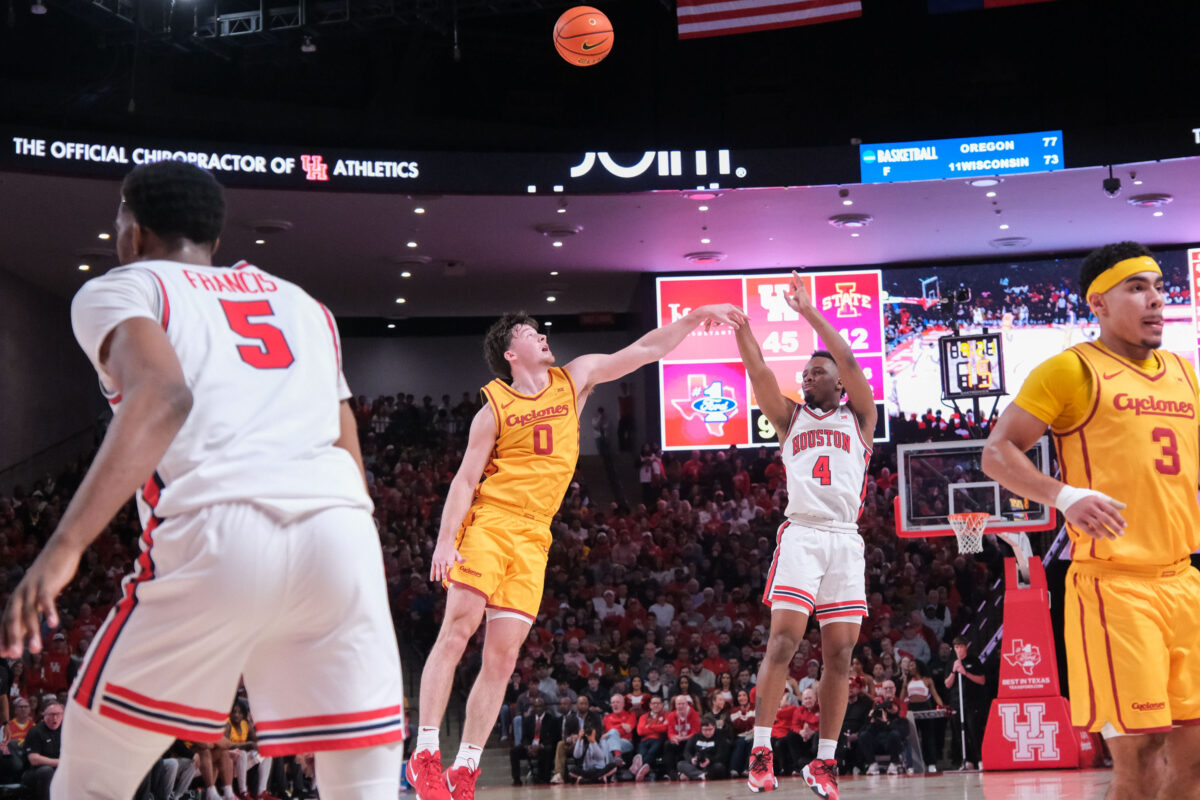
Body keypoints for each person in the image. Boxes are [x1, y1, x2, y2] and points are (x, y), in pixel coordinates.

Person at [0, 162, 404, 800]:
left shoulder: (125, 287)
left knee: (92, 778)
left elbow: (163, 395)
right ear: (215, 238)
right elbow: (344, 438)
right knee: (365, 787)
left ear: (132, 231)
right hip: (343, 537)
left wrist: (64, 548)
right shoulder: (303, 305)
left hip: (220, 530)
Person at [409, 303, 745, 800]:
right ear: (510, 353)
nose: (541, 335)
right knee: (459, 629)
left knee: (503, 657)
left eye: (539, 330)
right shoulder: (493, 407)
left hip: (535, 534)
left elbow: (645, 349)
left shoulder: (575, 378)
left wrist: (695, 317)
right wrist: (444, 539)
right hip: (491, 522)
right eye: (529, 333)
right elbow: (463, 481)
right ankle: (424, 754)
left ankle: (466, 768)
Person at [982, 241, 1200, 799]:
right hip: (1115, 590)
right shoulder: (1071, 370)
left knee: (1195, 762)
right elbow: (997, 452)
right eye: (1137, 288)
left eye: (1158, 287)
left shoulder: (1184, 373)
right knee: (1142, 762)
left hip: (1184, 581)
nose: (1156, 299)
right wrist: (1065, 495)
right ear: (1098, 303)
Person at [735, 273, 875, 799]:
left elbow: (850, 358)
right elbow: (759, 372)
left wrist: (809, 312)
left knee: (840, 654)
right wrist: (743, 328)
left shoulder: (861, 418)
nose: (808, 377)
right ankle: (761, 750)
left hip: (845, 540)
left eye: (818, 372)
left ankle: (824, 761)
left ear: (839, 383)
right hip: (804, 534)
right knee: (784, 641)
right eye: (805, 373)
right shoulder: (789, 418)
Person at [941, 637, 987, 770]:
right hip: (957, 702)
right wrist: (954, 671)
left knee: (974, 731)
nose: (959, 650)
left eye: (961, 647)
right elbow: (947, 684)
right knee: (960, 733)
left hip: (972, 702)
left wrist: (965, 673)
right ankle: (966, 760)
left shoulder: (974, 661)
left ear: (966, 647)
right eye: (956, 647)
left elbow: (982, 680)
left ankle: (980, 759)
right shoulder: (951, 663)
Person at [508, 697, 558, 786]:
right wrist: (528, 746)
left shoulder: (551, 719)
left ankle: (542, 778)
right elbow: (524, 737)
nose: (538, 708)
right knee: (514, 751)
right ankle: (516, 779)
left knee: (547, 750)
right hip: (530, 746)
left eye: (540, 706)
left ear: (544, 707)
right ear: (533, 707)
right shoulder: (528, 720)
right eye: (536, 706)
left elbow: (553, 738)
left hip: (543, 746)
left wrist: (540, 746)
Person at [23, 701, 63, 800]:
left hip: (59, 768)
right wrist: (60, 762)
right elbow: (34, 759)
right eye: (51, 715)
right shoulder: (36, 731)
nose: (55, 718)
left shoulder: (65, 730)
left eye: (58, 714)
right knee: (46, 771)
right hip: (35, 771)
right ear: (44, 715)